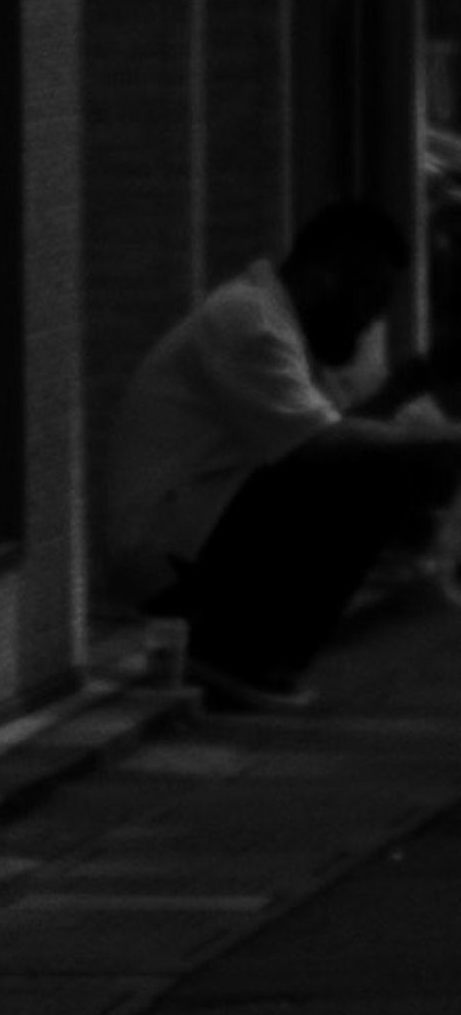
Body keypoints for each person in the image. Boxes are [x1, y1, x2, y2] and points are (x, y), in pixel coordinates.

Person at [101, 198, 461, 714]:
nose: (362, 334)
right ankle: (234, 653)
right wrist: (449, 439)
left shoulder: (271, 316)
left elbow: (325, 432)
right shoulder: (252, 323)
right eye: (366, 309)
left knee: (379, 460)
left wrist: (398, 395)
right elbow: (323, 446)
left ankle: (256, 653)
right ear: (325, 278)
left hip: (192, 533)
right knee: (379, 472)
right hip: (168, 561)